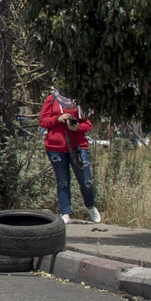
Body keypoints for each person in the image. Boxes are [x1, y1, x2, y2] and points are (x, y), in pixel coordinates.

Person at [40, 90, 103, 225]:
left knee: (86, 181)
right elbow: (43, 121)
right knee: (63, 181)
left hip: (78, 146)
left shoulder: (80, 100)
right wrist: (57, 119)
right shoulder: (52, 99)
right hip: (55, 147)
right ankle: (66, 213)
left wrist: (77, 127)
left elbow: (88, 124)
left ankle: (90, 205)